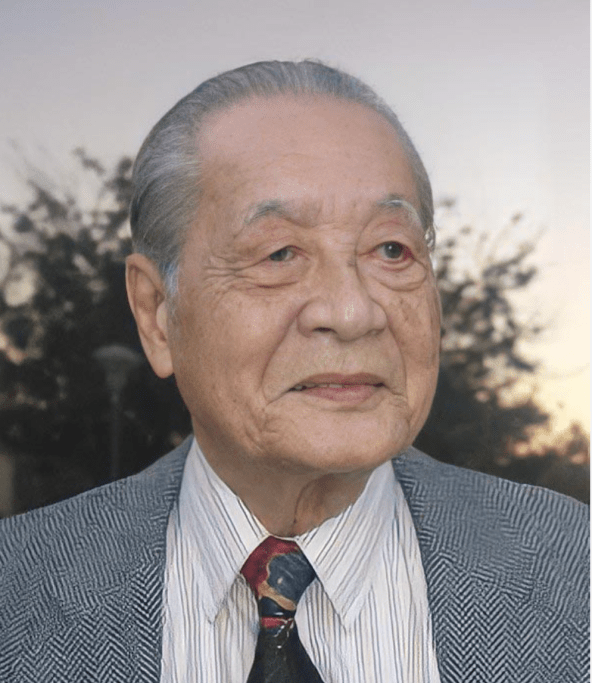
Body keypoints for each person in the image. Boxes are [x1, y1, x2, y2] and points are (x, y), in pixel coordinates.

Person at [0, 60, 588, 683]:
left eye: (391, 249)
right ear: (157, 313)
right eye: (280, 254)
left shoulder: (573, 566)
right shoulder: (20, 589)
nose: (353, 312)